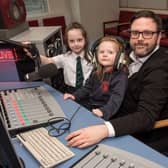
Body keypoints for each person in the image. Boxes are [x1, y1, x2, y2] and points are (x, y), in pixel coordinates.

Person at [65, 10, 168, 155]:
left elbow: (145, 117)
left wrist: (104, 129)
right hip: (109, 115)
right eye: (135, 33)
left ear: (158, 37)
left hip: (137, 133)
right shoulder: (127, 55)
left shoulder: (161, 68)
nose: (139, 38)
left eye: (147, 33)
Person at [64, 36, 128, 120]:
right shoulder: (95, 72)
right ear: (95, 56)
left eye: (110, 52)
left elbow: (116, 100)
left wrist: (103, 111)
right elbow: (87, 88)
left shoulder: (121, 77)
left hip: (107, 111)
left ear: (120, 57)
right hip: (92, 105)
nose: (105, 55)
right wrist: (75, 96)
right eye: (101, 52)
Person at [26, 22, 94, 93]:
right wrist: (35, 55)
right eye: (72, 41)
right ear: (67, 42)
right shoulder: (64, 58)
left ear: (85, 40)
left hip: (88, 90)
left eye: (79, 40)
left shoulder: (92, 56)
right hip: (71, 91)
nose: (76, 44)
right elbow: (48, 61)